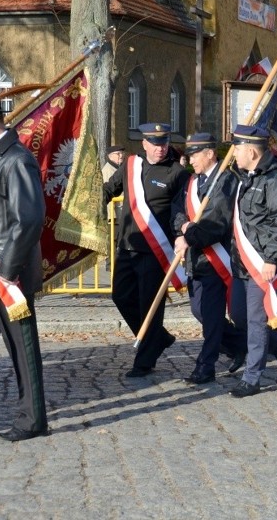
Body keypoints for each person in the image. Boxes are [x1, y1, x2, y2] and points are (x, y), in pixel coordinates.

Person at [0, 88, 48, 441]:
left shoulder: (16, 159)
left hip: (6, 278)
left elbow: (29, 218)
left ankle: (33, 420)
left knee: (22, 349)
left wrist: (7, 269)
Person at [103, 123, 190, 378]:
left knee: (149, 307)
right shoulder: (130, 165)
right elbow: (109, 189)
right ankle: (159, 338)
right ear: (144, 144)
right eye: (154, 143)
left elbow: (181, 210)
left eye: (163, 143)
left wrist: (181, 237)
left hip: (155, 251)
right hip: (127, 247)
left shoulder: (177, 173)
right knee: (120, 297)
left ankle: (145, 361)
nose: (160, 148)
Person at [227, 125, 277, 397]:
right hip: (241, 261)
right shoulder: (246, 177)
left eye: (236, 148)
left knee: (256, 319)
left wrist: (271, 259)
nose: (233, 153)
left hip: (262, 263)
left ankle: (252, 377)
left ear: (251, 151)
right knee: (238, 315)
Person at [172, 133, 248, 384]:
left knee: (212, 317)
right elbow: (178, 211)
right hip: (197, 259)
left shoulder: (226, 181)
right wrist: (182, 229)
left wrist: (189, 236)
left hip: (218, 258)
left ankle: (206, 367)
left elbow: (217, 223)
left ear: (209, 153)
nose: (190, 159)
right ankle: (269, 346)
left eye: (194, 155)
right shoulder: (193, 181)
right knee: (200, 311)